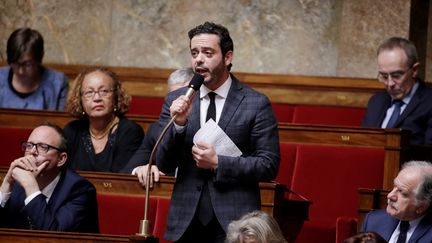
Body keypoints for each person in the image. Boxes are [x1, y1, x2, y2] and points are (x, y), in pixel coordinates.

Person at [152, 22, 280, 242]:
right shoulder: (176, 100)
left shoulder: (255, 103)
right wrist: (179, 126)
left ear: (227, 57)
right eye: (194, 53)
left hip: (236, 222)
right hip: (186, 220)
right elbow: (163, 163)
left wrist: (219, 163)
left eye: (207, 53)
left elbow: (268, 165)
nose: (199, 59)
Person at [0, 122, 99, 232]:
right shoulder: (17, 183)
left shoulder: (80, 190)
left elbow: (54, 236)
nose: (32, 152)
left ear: (61, 159)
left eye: (43, 147)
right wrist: (6, 185)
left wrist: (31, 187)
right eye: (29, 145)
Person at [64, 66, 144, 172]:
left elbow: (123, 180)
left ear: (116, 96)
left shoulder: (130, 131)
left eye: (104, 91)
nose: (97, 98)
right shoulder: (72, 131)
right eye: (89, 92)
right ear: (80, 99)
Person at [124, 67, 194, 181]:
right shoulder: (156, 129)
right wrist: (140, 169)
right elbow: (128, 170)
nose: (179, 103)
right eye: (173, 96)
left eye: (183, 96)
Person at [361, 37, 432, 145]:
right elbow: (363, 143)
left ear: (414, 70)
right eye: (384, 76)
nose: (390, 84)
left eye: (396, 75)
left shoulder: (429, 102)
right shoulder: (376, 102)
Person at [361, 160, 432, 242]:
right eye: (394, 186)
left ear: (422, 206)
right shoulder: (373, 220)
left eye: (403, 193)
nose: (390, 195)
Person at [0, 27, 68, 110]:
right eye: (15, 63)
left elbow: (61, 120)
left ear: (40, 58)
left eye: (28, 64)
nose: (20, 71)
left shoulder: (58, 83)